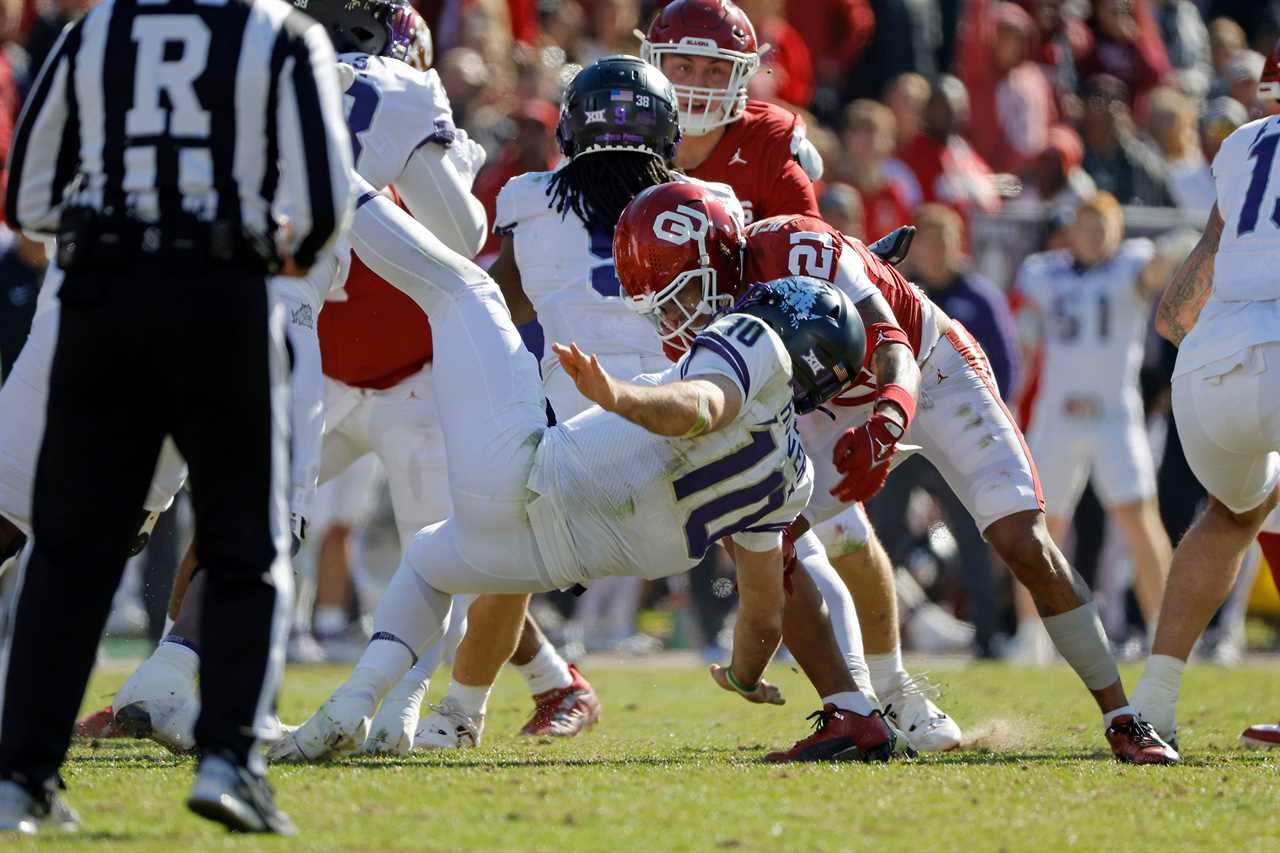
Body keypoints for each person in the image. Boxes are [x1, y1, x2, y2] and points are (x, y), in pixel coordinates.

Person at [270, 182, 903, 765]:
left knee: (469, 291)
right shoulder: (795, 477)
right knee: (429, 559)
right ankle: (354, 705)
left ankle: (339, 180)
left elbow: (705, 406)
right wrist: (742, 675)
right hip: (545, 560)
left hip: (529, 479)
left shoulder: (752, 338)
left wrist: (620, 395)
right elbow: (764, 610)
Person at [639, 188, 1179, 764]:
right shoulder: (714, 312)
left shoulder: (803, 247)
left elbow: (891, 344)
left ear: (719, 255)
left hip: (930, 367)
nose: (681, 313)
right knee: (762, 518)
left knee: (1021, 540)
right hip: (832, 399)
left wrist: (884, 427)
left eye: (688, 289)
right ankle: (854, 714)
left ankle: (1125, 717)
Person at [0, 0, 353, 835]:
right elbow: (324, 210)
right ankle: (229, 760)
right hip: (221, 295)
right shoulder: (283, 34)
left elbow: (31, 200)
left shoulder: (95, 31)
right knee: (245, 542)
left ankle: (23, 776)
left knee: (72, 549)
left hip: (100, 297)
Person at [1132, 43, 1280, 747]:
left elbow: (1177, 306)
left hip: (1207, 366)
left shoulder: (1243, 146)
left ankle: (1153, 702)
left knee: (1236, 513)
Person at [1012, 192, 1172, 658]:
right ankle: (1031, 634)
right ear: (1072, 229)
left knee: (1138, 519)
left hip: (1115, 414)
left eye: (1104, 225)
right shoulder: (1045, 272)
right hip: (1058, 412)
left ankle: (1165, 631)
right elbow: (1024, 332)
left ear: (1119, 230)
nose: (1094, 234)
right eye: (1086, 224)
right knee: (1041, 524)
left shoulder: (1130, 266)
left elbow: (1157, 270)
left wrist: (1181, 246)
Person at [639, 0, 823, 226]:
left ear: (740, 76)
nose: (699, 85)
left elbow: (806, 241)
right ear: (655, 67)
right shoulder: (627, 133)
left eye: (715, 70)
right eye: (683, 68)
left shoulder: (768, 140)